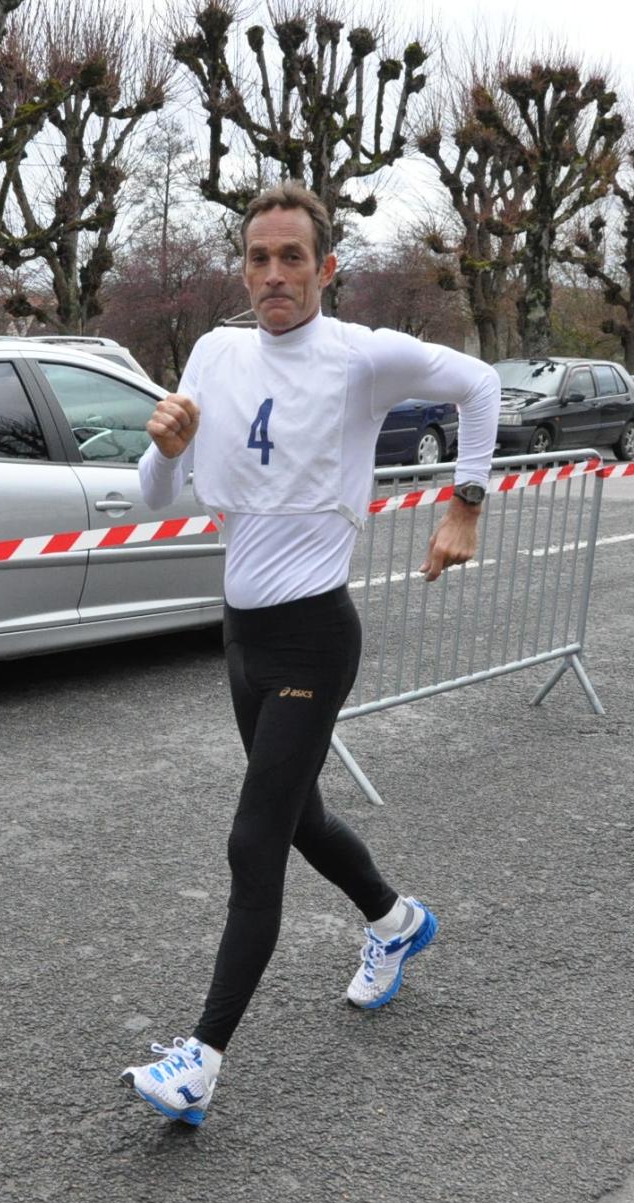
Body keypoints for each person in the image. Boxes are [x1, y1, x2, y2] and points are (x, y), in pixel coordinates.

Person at [119, 182, 501, 1126]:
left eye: (293, 257)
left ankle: (200, 1063)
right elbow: (154, 497)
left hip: (313, 638)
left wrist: (465, 504)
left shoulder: (360, 356)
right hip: (242, 636)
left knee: (253, 839)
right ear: (243, 270)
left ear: (326, 267)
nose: (275, 274)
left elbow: (480, 385)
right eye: (259, 258)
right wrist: (163, 450)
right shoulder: (215, 354)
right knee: (299, 818)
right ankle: (395, 920)